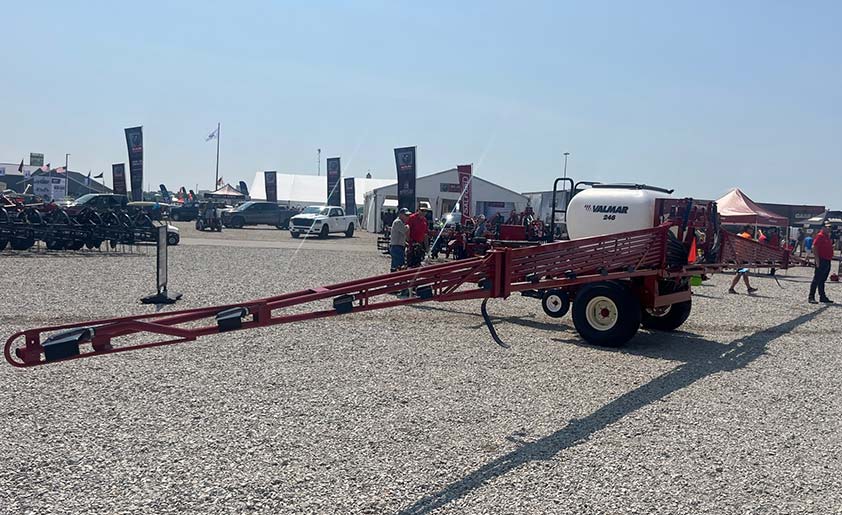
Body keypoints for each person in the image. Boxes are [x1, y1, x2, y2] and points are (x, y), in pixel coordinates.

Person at [809, 223, 834, 304]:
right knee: (816, 279)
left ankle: (822, 296)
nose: (829, 229)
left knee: (822, 280)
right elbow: (814, 247)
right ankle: (811, 297)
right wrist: (817, 260)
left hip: (827, 260)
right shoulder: (820, 235)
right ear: (823, 228)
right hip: (822, 260)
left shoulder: (827, 236)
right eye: (828, 227)